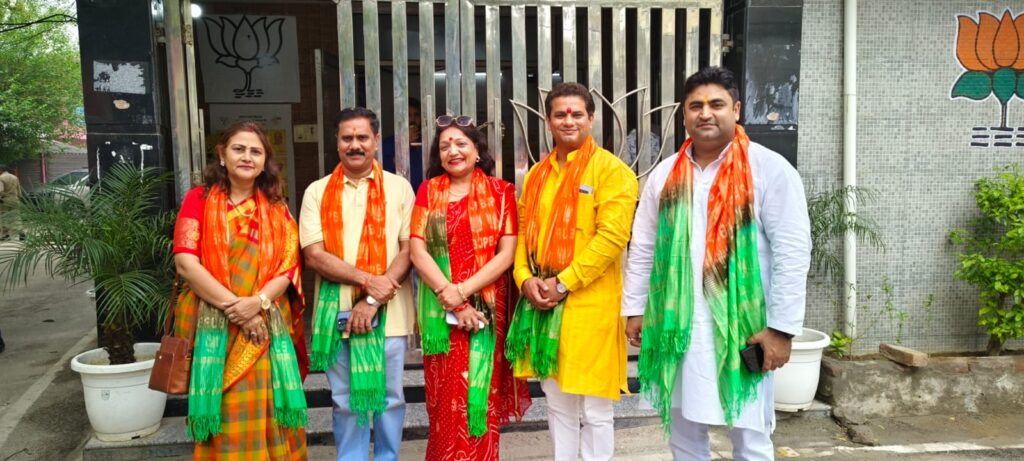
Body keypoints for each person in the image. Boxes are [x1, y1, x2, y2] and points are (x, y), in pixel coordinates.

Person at [623, 66, 811, 461]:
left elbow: (792, 252)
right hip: (676, 326)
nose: (705, 113)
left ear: (736, 109)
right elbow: (643, 247)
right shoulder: (664, 175)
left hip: (746, 328)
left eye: (716, 104)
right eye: (696, 106)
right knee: (682, 431)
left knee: (750, 436)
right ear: (684, 115)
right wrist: (636, 308)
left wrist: (781, 329)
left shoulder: (769, 169)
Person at [506, 82, 639, 461]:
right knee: (557, 402)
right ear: (549, 121)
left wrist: (563, 283)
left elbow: (612, 238)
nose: (569, 121)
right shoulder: (537, 174)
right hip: (543, 307)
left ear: (590, 118)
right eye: (560, 114)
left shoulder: (611, 171)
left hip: (590, 307)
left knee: (595, 409)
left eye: (577, 114)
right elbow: (523, 234)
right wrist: (524, 279)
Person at [172, 120, 309, 460]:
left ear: (265, 162)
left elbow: (288, 268)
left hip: (265, 326)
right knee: (227, 415)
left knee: (273, 409)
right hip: (215, 326)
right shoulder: (198, 200)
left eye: (255, 151)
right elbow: (186, 264)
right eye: (239, 149)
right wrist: (241, 310)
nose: (247, 157)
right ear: (222, 155)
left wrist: (258, 302)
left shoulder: (278, 209)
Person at [410, 116, 531, 460]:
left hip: (486, 313)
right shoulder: (428, 191)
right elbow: (417, 250)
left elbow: (507, 254)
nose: (453, 151)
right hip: (441, 311)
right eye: (445, 146)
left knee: (480, 396)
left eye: (461, 143)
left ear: (477, 151)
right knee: (443, 401)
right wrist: (450, 297)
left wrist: (462, 292)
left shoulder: (501, 192)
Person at [300, 107, 415, 461]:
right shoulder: (317, 192)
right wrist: (368, 282)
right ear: (337, 142)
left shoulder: (399, 188)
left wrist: (373, 299)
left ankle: (387, 457)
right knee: (344, 400)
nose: (355, 145)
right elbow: (314, 255)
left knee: (390, 399)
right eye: (347, 138)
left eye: (362, 137)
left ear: (376, 141)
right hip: (335, 314)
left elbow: (410, 249)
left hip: (390, 315)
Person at [381, 98, 424, 192]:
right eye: (408, 115)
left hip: (424, 196)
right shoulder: (388, 143)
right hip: (398, 194)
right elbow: (386, 172)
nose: (412, 119)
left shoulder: (427, 142)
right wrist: (404, 144)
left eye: (416, 115)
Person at [0, 164, 21, 241]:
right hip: (15, 199)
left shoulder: (1, 178)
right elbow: (19, 190)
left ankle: (5, 234)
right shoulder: (15, 177)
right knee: (16, 216)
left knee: (4, 217)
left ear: (0, 170)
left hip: (4, 200)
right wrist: (19, 198)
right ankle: (21, 231)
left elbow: (0, 190)